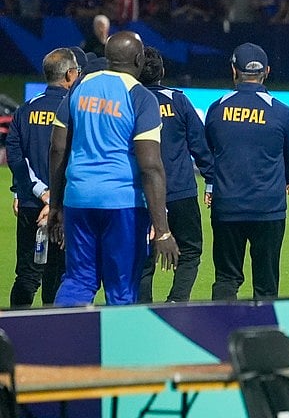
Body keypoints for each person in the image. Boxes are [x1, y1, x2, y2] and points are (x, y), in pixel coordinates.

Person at [48, 32, 179, 306]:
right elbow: (150, 166)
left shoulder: (80, 87)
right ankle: (118, 348)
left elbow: (58, 149)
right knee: (121, 287)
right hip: (123, 204)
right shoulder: (141, 97)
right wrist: (163, 230)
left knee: (78, 279)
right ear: (139, 59)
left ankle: (62, 344)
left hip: (79, 199)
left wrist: (56, 205)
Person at [205, 43, 289, 300]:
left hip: (227, 206)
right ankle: (265, 337)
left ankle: (221, 335)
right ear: (267, 71)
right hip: (268, 208)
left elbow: (209, 150)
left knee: (226, 278)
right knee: (266, 285)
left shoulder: (217, 109)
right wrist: (286, 179)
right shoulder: (281, 112)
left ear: (233, 70)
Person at [136, 47, 215, 303]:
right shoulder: (177, 101)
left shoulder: (129, 100)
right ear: (163, 72)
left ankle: (142, 310)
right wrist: (211, 180)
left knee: (141, 258)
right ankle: (176, 303)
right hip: (179, 191)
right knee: (190, 251)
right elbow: (200, 145)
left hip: (140, 193)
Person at [6, 48, 78, 307]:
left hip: (29, 205)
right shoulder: (74, 109)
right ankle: (54, 338)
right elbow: (75, 158)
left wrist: (39, 194)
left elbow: (16, 158)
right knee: (58, 277)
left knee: (26, 275)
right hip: (65, 207)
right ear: (70, 74)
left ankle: (15, 336)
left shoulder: (25, 110)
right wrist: (54, 200)